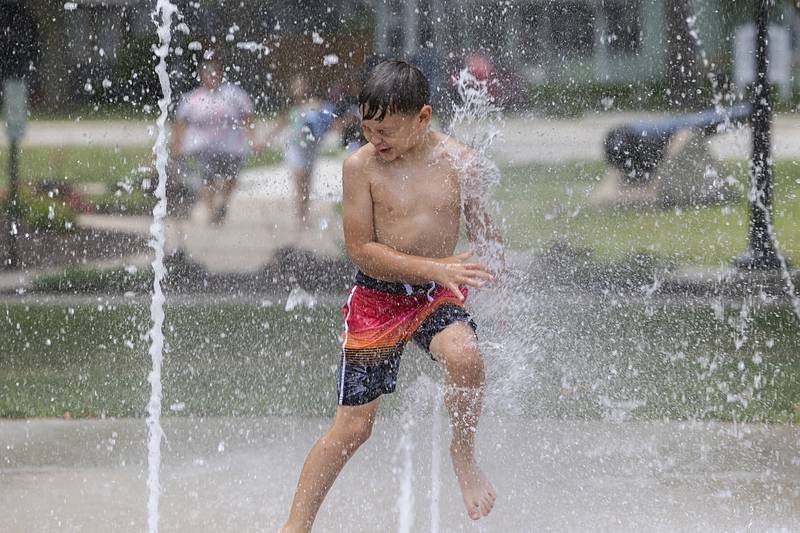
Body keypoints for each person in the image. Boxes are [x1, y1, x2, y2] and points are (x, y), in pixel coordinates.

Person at [279, 60, 504, 532]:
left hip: (434, 296)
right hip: (377, 300)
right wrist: (436, 267)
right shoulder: (360, 167)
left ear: (423, 118)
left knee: (466, 356)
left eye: (385, 130)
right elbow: (362, 251)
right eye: (365, 126)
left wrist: (489, 259)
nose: (374, 139)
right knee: (354, 428)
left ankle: (462, 456)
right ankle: (295, 528)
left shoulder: (462, 164)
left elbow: (488, 237)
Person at [170, 54, 256, 224]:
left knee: (231, 177)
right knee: (208, 178)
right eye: (208, 73)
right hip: (204, 147)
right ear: (201, 76)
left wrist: (253, 138)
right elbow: (181, 123)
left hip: (232, 146)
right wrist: (177, 144)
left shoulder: (234, 94)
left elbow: (248, 117)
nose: (212, 77)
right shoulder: (192, 98)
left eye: (215, 72)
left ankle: (223, 203)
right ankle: (211, 211)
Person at [267, 75, 334, 229]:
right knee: (299, 178)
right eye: (296, 86)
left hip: (310, 148)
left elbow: (325, 119)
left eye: (301, 86)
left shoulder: (314, 103)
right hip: (295, 148)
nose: (299, 89)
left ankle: (304, 211)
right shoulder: (290, 107)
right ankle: (300, 214)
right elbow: (281, 124)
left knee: (307, 180)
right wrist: (266, 139)